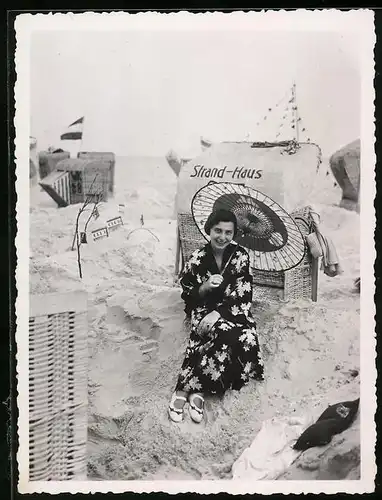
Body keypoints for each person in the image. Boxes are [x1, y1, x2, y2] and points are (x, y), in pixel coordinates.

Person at [168, 209, 264, 423]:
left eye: (228, 232)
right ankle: (185, 392)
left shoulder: (240, 256)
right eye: (217, 230)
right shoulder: (197, 258)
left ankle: (198, 389)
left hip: (234, 309)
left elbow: (244, 294)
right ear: (208, 230)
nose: (222, 236)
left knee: (247, 338)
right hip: (204, 308)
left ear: (234, 234)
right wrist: (204, 287)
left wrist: (218, 312)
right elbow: (187, 292)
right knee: (221, 334)